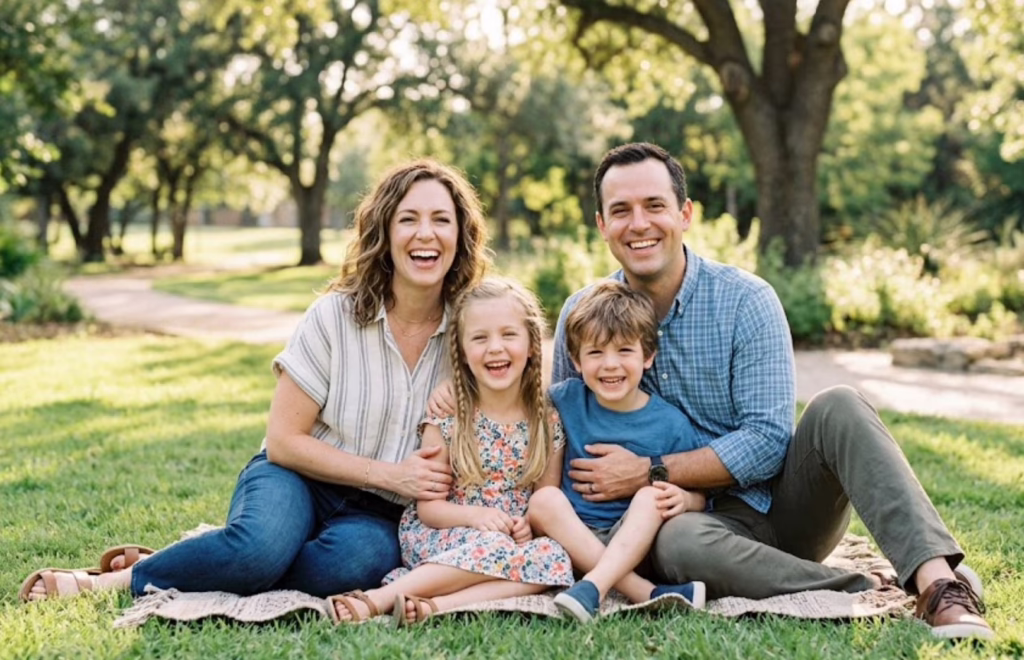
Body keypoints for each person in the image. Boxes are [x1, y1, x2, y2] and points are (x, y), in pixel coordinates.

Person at [549, 142, 993, 641]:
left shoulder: (747, 301)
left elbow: (767, 441)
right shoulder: (584, 316)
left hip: (782, 505)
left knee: (838, 405)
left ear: (685, 213)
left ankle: (940, 585)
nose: (639, 224)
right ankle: (874, 585)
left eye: (654, 206)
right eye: (621, 211)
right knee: (679, 544)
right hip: (682, 529)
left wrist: (648, 471)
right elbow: (555, 427)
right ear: (601, 225)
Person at [19, 158, 491, 602]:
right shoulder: (335, 316)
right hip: (296, 478)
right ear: (385, 232)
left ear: (460, 235)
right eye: (408, 219)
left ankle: (193, 559)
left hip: (381, 513)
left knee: (349, 568)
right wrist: (390, 474)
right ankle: (112, 581)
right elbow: (284, 441)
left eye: (440, 220)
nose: (424, 234)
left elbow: (522, 398)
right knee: (257, 551)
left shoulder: (474, 334)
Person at [330, 276, 573, 626]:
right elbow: (429, 509)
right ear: (460, 350)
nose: (495, 348)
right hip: (445, 533)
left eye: (508, 335)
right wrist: (477, 518)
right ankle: (376, 600)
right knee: (495, 548)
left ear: (533, 344)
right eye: (479, 338)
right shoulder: (448, 418)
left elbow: (544, 499)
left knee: (553, 557)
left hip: (509, 541)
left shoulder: (547, 423)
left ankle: (434, 607)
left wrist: (524, 526)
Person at [528, 279, 707, 623]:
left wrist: (685, 500)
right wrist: (449, 390)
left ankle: (594, 585)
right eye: (595, 352)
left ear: (648, 356)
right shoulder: (563, 400)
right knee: (543, 499)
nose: (610, 364)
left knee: (650, 496)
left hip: (634, 545)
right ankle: (645, 594)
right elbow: (509, 399)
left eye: (625, 351)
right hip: (570, 538)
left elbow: (701, 497)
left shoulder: (671, 424)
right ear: (576, 360)